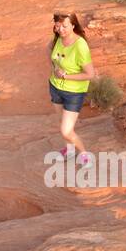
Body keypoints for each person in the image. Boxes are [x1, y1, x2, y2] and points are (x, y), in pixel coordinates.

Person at [47, 12, 94, 158]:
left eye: (65, 26)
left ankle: (85, 155)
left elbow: (90, 74)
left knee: (66, 130)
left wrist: (66, 76)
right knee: (62, 122)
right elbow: (49, 50)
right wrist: (55, 68)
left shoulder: (80, 46)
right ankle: (69, 150)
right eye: (58, 26)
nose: (61, 29)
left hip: (73, 93)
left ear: (73, 25)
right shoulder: (57, 39)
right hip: (56, 88)